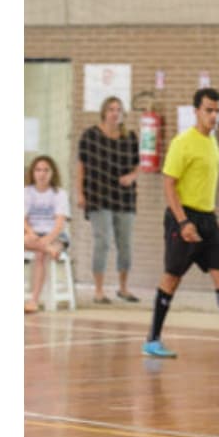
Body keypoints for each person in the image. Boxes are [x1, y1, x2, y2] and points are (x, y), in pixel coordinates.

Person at [142, 88, 219, 359]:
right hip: (183, 218)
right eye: (209, 110)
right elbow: (169, 185)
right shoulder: (182, 143)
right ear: (196, 111)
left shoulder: (213, 142)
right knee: (171, 279)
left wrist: (208, 220)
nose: (214, 116)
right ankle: (152, 340)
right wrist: (183, 222)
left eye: (218, 111)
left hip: (208, 219)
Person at [76, 95, 140, 304]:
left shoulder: (129, 138)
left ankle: (123, 287)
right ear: (104, 112)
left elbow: (139, 165)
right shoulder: (90, 136)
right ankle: (99, 290)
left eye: (119, 110)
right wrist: (80, 193)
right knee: (102, 241)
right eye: (111, 109)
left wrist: (131, 177)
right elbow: (81, 166)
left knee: (125, 243)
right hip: (97, 194)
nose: (115, 113)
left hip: (123, 197)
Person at [24, 155, 71, 314]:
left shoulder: (59, 194)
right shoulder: (26, 192)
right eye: (38, 170)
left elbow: (59, 225)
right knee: (37, 247)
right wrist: (31, 233)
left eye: (46, 170)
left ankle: (33, 301)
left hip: (55, 237)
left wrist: (46, 241)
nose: (41, 174)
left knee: (39, 255)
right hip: (34, 236)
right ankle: (48, 249)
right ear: (33, 172)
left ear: (52, 173)